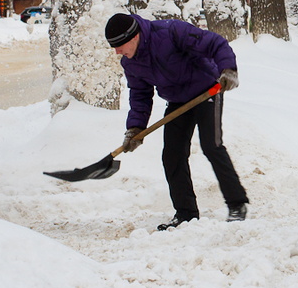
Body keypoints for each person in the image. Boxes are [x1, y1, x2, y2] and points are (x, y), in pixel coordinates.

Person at [105, 12, 249, 230]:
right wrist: (135, 128)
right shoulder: (131, 63)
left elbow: (215, 43)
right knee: (172, 155)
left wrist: (228, 70)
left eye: (120, 45)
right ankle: (186, 213)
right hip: (177, 101)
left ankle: (237, 204)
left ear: (134, 36)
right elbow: (140, 95)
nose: (117, 52)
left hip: (207, 90)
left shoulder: (170, 32)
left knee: (212, 146)